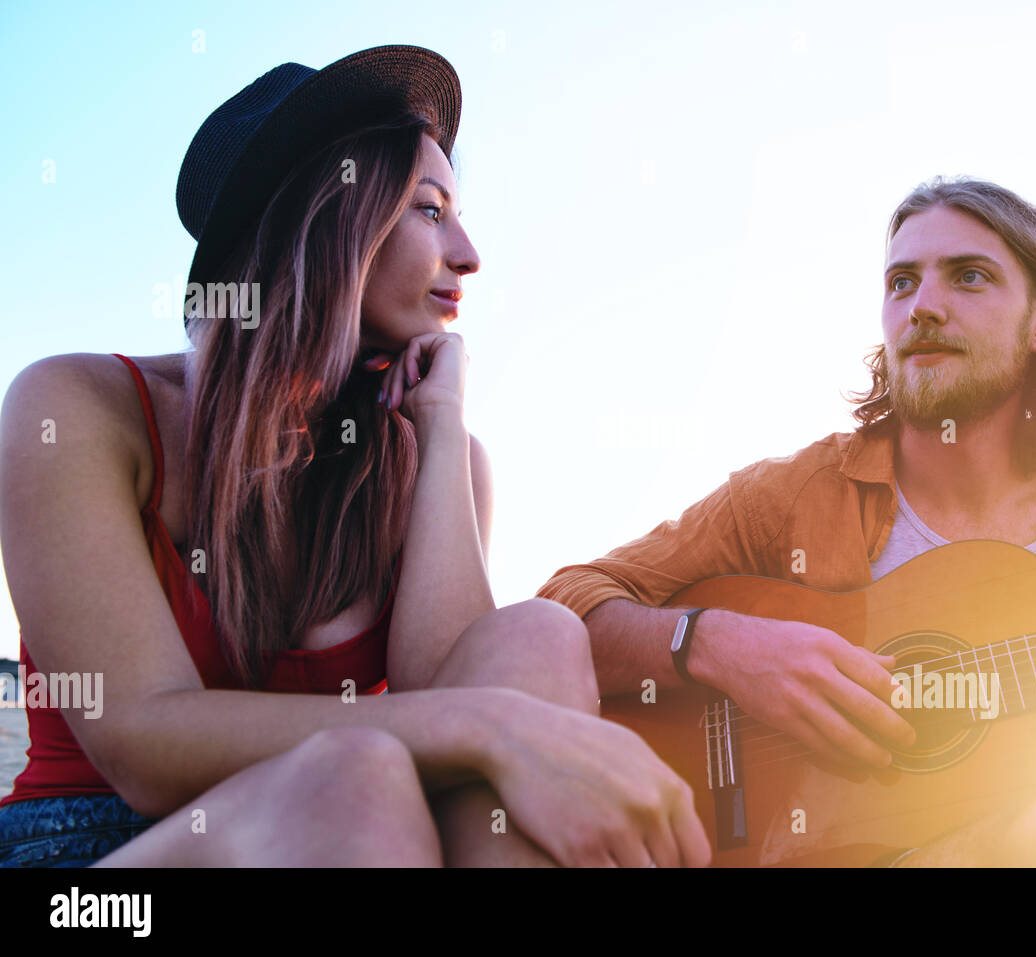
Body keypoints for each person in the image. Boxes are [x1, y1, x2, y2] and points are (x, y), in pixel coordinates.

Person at [0, 45, 709, 868]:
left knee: (540, 638)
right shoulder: (78, 409)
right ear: (331, 222)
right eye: (431, 210)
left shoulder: (436, 459)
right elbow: (142, 742)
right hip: (89, 853)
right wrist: (486, 726)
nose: (471, 253)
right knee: (355, 775)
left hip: (372, 841)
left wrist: (442, 429)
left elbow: (452, 684)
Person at [537, 177, 1036, 867]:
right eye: (902, 282)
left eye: (968, 276)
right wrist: (721, 645)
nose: (922, 305)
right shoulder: (794, 495)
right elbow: (566, 604)